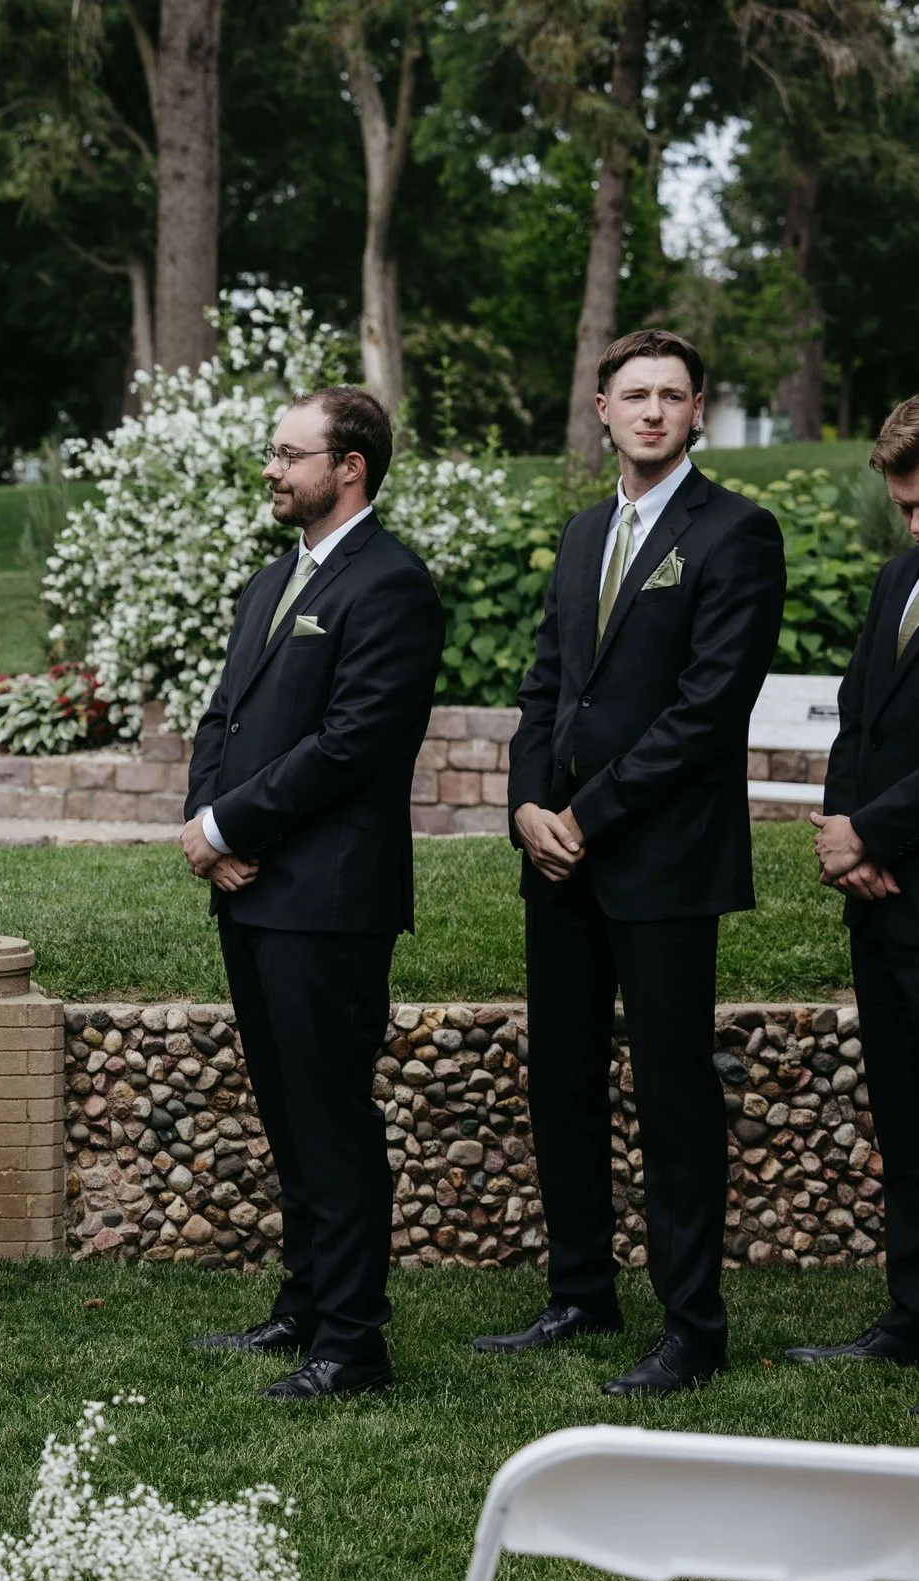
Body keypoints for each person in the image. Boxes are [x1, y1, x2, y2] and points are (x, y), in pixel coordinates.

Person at [484, 328, 785, 1396]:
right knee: (560, 1078)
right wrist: (527, 802)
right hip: (557, 861)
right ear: (601, 411)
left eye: (670, 394)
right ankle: (578, 1291)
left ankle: (690, 1326)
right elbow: (544, 689)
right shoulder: (580, 536)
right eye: (632, 394)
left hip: (660, 861)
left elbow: (707, 713)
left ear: (697, 410)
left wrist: (587, 811)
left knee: (670, 1090)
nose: (651, 410)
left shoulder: (736, 533)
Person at [176, 387, 442, 1401]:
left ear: (350, 468)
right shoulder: (269, 580)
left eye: (291, 454)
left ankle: (353, 1342)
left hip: (330, 899)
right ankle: (302, 1307)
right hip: (250, 890)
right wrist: (208, 825)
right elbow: (223, 719)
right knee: (286, 1111)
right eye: (272, 452)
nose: (272, 470)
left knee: (331, 1115)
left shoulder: (392, 586)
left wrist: (233, 825)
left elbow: (353, 745)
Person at [792, 396, 919, 1368]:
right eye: (905, 505)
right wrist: (845, 836)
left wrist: (873, 829)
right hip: (883, 904)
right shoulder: (894, 581)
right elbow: (856, 723)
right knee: (903, 1118)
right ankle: (909, 1317)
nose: (916, 524)